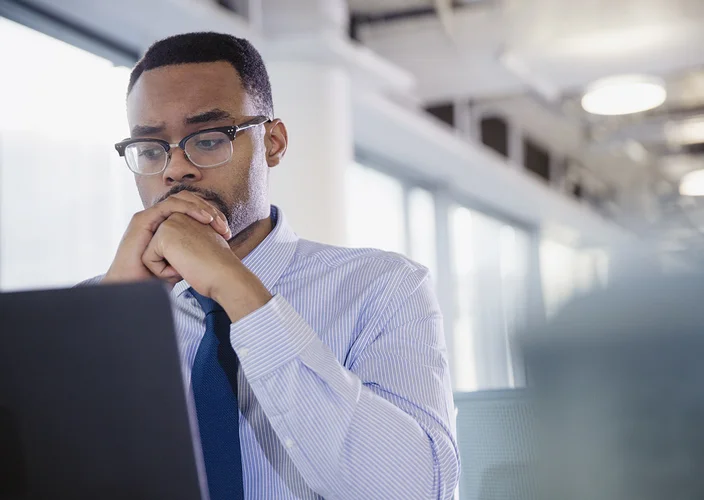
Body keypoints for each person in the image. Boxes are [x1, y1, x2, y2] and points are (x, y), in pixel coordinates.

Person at [80, 32, 459, 499]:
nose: (176, 170)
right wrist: (110, 319)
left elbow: (416, 490)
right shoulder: (95, 305)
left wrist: (236, 289)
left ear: (273, 143)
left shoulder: (383, 288)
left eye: (209, 139)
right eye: (152, 150)